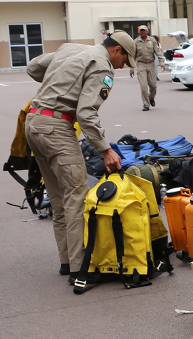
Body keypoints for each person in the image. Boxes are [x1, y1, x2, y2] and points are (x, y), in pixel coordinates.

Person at [24, 30, 134, 285]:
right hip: (57, 128)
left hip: (34, 123)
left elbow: (33, 67)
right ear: (116, 50)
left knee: (58, 199)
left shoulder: (71, 49)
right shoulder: (102, 67)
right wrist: (106, 149)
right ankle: (80, 268)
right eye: (125, 60)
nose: (122, 66)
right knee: (76, 197)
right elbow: (86, 113)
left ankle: (66, 262)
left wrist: (57, 83)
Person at [130, 25, 164, 111]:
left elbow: (158, 52)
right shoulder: (136, 42)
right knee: (143, 86)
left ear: (147, 31)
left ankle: (151, 98)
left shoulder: (152, 40)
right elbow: (132, 56)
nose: (142, 32)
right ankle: (146, 104)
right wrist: (131, 68)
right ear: (139, 31)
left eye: (144, 30)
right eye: (141, 30)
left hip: (151, 64)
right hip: (141, 65)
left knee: (153, 86)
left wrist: (161, 62)